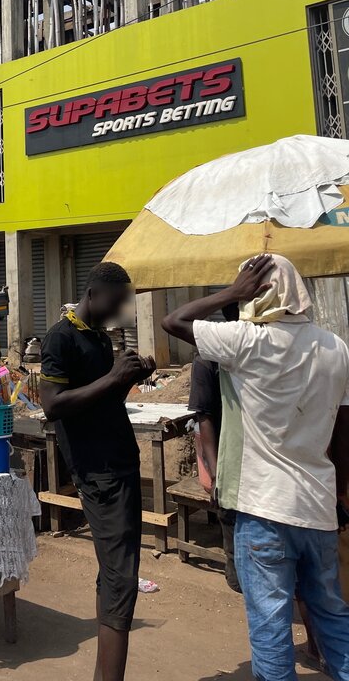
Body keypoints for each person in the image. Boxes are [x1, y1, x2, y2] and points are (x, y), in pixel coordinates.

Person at [163, 254, 349, 681]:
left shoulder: (247, 341)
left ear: (255, 292)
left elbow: (173, 321)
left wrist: (231, 293)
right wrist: (339, 494)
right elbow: (343, 434)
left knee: (271, 630)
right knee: (334, 618)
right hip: (317, 509)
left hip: (264, 510)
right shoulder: (336, 348)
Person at [40, 262, 155, 681]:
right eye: (117, 300)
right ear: (94, 293)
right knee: (123, 580)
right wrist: (113, 379)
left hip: (118, 461)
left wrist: (129, 377)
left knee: (114, 575)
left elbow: (103, 400)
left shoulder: (99, 338)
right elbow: (52, 405)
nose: (120, 309)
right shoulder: (61, 337)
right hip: (99, 471)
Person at [189, 301, 241, 593]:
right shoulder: (209, 359)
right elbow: (204, 417)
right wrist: (217, 470)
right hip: (227, 461)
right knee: (233, 528)